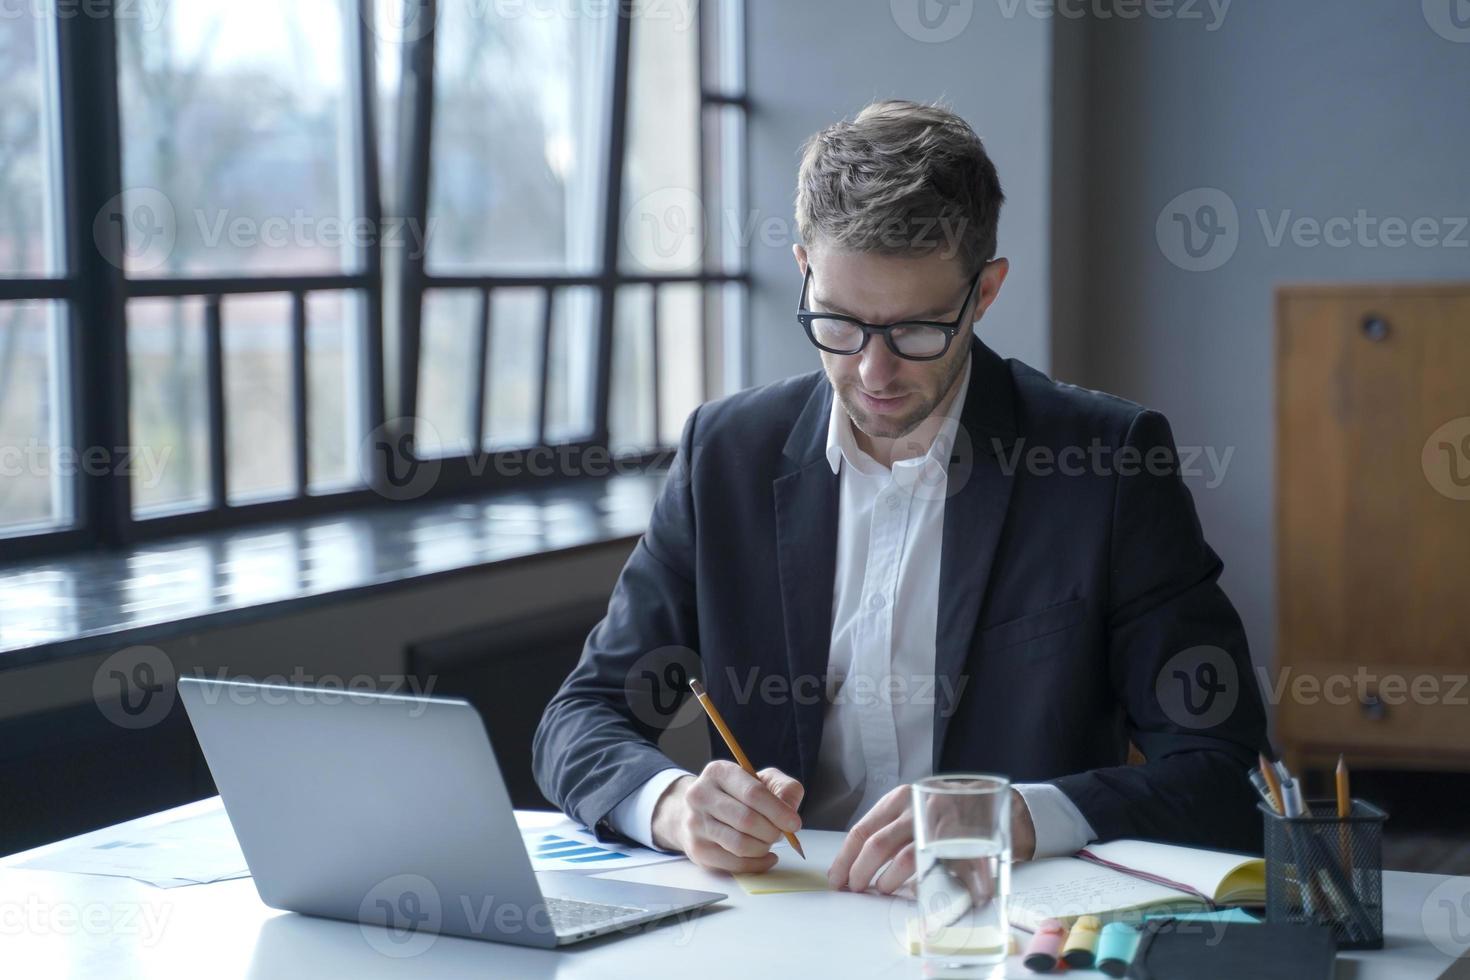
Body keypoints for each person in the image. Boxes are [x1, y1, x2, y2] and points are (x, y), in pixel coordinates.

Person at [533, 99, 1268, 894]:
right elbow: (580, 719)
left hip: (1003, 926)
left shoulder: (1107, 464)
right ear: (805, 265)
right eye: (840, 324)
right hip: (781, 919)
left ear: (984, 294)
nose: (874, 374)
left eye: (918, 330)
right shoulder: (726, 455)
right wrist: (673, 803)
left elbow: (1225, 771)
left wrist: (1017, 816)